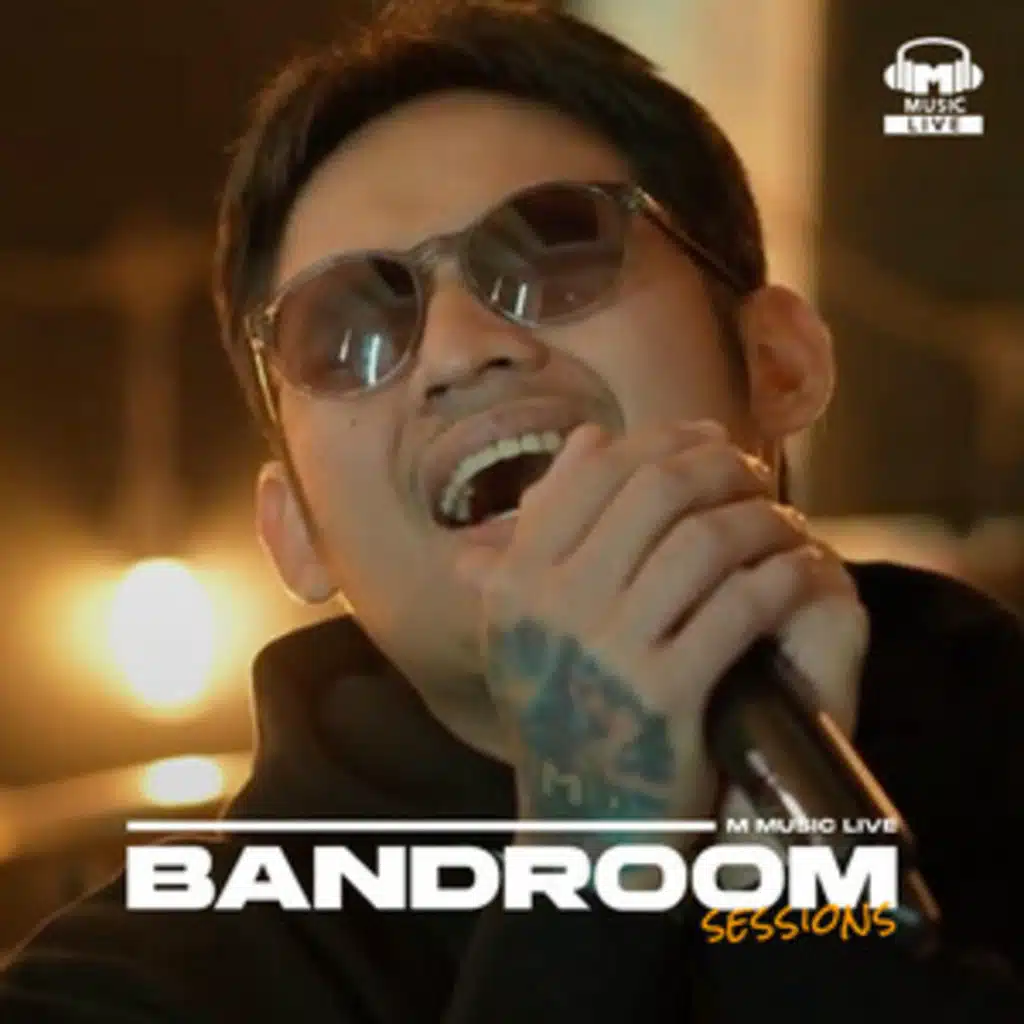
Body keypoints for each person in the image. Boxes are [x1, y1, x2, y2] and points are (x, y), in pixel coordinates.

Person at [2, 2, 1022, 1020]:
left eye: (556, 250)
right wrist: (589, 867)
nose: (457, 349)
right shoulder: (131, 984)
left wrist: (799, 899)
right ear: (295, 534)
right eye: (346, 329)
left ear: (779, 363)